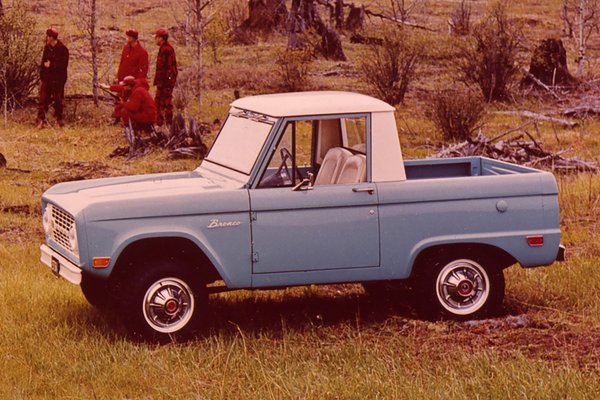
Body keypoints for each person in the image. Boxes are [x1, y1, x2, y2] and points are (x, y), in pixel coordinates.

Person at [37, 27, 69, 129]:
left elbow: (63, 65)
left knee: (58, 100)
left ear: (52, 37)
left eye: (48, 36)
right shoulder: (47, 48)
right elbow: (43, 62)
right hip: (47, 78)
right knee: (43, 99)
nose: (47, 38)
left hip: (58, 79)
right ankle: (41, 120)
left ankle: (58, 121)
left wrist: (51, 64)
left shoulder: (63, 49)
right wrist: (42, 75)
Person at [153, 28, 178, 127]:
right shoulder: (165, 48)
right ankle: (162, 122)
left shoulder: (166, 50)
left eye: (157, 37)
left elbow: (166, 68)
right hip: (165, 81)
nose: (155, 40)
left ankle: (164, 123)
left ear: (161, 38)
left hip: (165, 82)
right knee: (161, 101)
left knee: (164, 102)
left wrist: (162, 83)